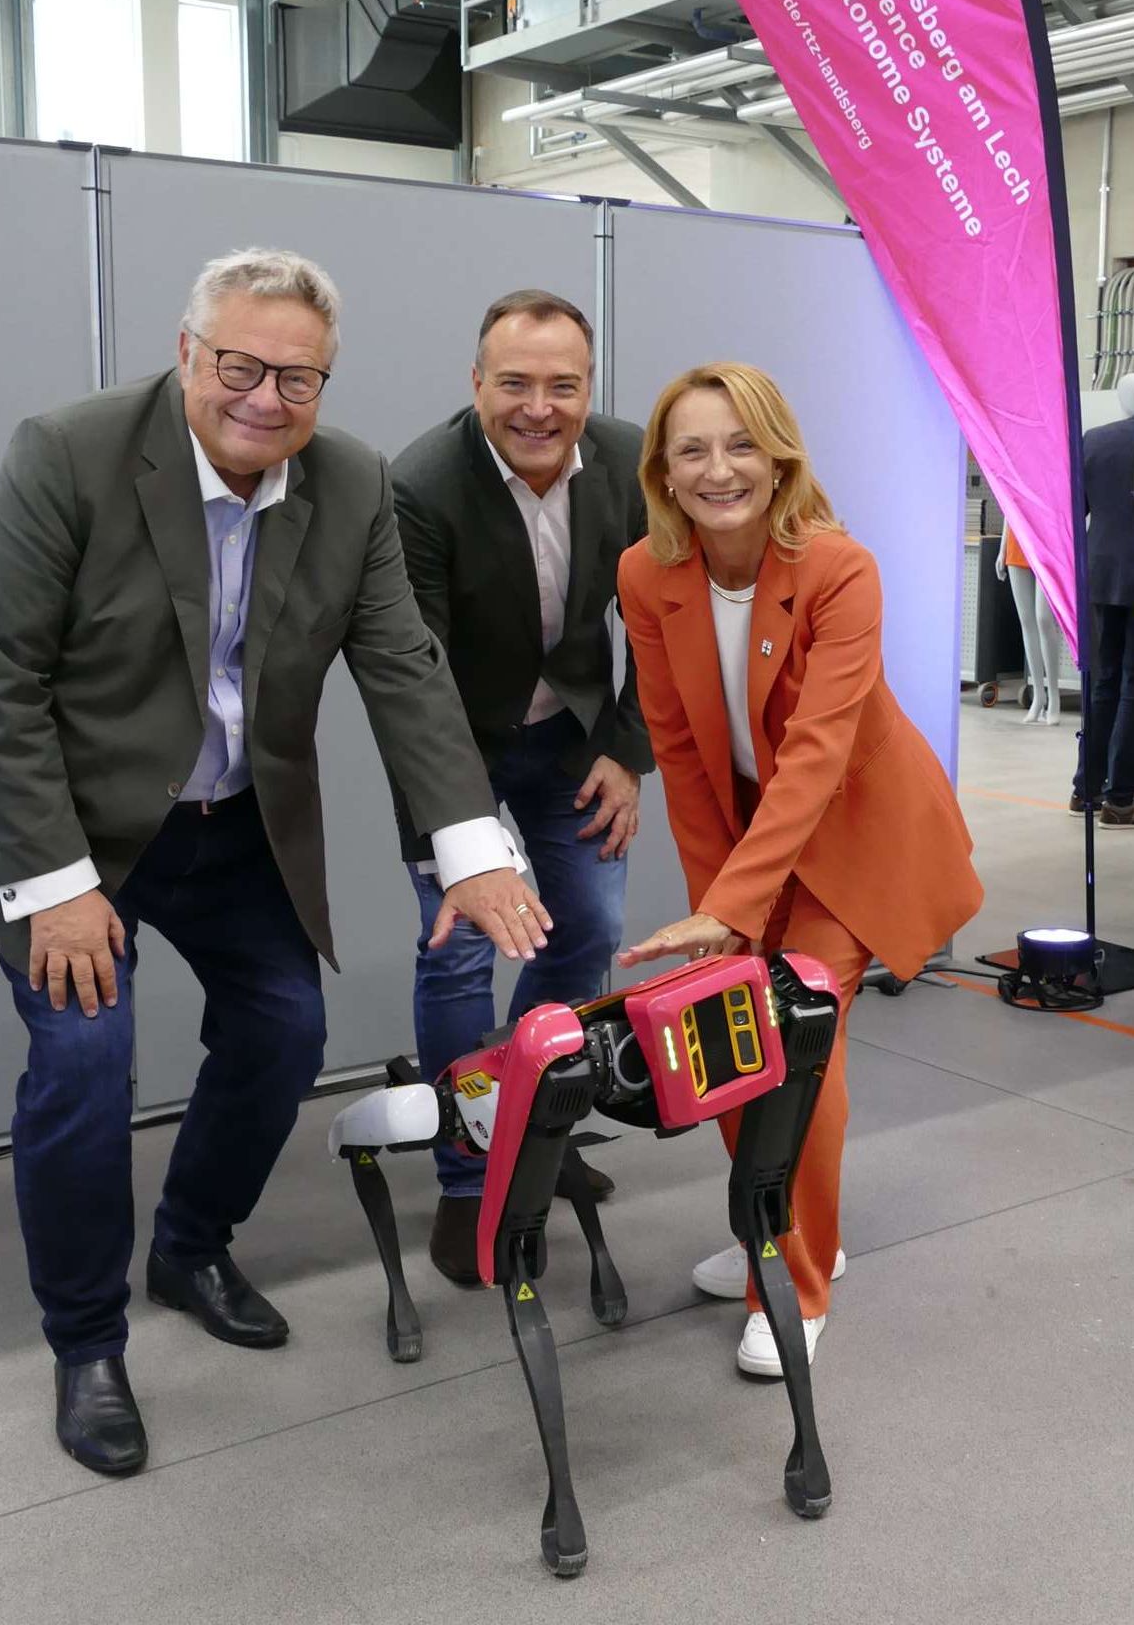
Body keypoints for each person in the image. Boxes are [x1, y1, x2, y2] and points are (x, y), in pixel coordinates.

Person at [0, 248, 548, 1479]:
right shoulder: (68, 453)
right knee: (83, 1054)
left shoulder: (353, 483)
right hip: (69, 828)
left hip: (227, 823)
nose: (266, 397)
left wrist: (473, 848)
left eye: (299, 377)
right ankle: (85, 1339)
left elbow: (403, 671)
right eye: (240, 365)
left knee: (279, 1028)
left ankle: (190, 1243)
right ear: (186, 353)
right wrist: (58, 886)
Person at [614, 362, 983, 1377]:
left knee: (794, 1045)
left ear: (779, 454)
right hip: (744, 837)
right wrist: (716, 915)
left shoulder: (835, 567)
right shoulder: (646, 573)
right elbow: (680, 752)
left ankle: (791, 1282)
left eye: (741, 443)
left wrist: (739, 902)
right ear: (662, 468)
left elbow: (817, 754)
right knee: (723, 1030)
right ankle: (772, 1230)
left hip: (850, 839)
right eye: (691, 447)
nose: (718, 468)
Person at [391, 290, 653, 1283]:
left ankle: (533, 1126)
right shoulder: (419, 485)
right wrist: (465, 838)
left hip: (568, 737)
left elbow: (661, 625)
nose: (537, 407)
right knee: (458, 953)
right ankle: (466, 1181)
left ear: (588, 387)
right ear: (475, 384)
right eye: (514, 383)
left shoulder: (629, 462)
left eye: (562, 384)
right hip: (447, 746)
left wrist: (625, 749)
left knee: (584, 929)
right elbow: (409, 674)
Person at [1070, 378, 1134, 825]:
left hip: (1101, 574)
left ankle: (1085, 789)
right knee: (1133, 686)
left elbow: (1078, 509)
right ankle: (1122, 797)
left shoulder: (1095, 440)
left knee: (1102, 682)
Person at [996, 522, 1061, 725]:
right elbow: (1009, 502)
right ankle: (1039, 697)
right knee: (1027, 620)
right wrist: (1002, 547)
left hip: (1046, 538)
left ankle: (1054, 695)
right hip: (1018, 537)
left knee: (1044, 618)